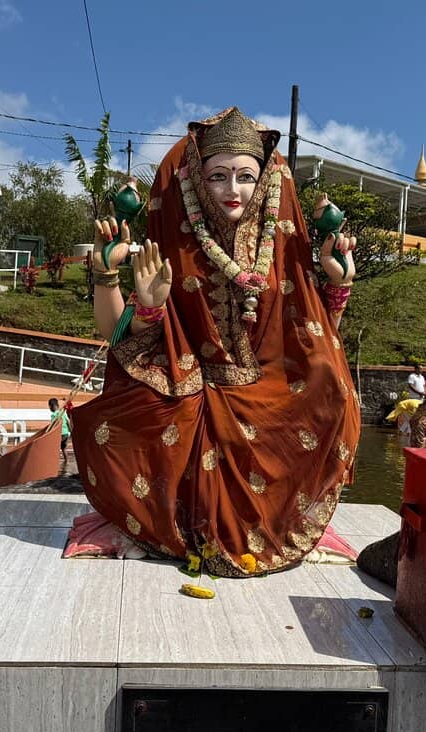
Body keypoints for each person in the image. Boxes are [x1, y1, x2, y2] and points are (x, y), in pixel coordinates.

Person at [71, 107, 361, 577]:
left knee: (335, 393)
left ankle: (293, 513)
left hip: (268, 396)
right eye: (218, 176)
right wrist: (118, 285)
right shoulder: (176, 243)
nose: (232, 189)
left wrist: (338, 287)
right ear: (196, 180)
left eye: (245, 177)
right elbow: (121, 340)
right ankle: (156, 521)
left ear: (263, 182)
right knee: (120, 419)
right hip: (190, 389)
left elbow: (313, 338)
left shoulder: (279, 246)